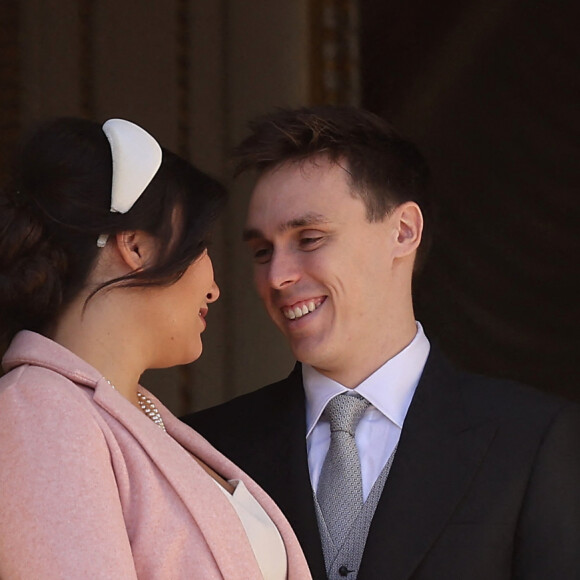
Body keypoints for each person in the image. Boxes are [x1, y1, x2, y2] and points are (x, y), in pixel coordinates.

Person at [184, 105, 580, 580]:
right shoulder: (206, 449)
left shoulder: (532, 439)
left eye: (309, 238)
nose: (278, 275)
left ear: (403, 231)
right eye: (262, 251)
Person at [0, 117, 312, 579]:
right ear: (136, 247)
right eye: (198, 244)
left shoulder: (131, 411)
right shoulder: (38, 411)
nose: (214, 289)